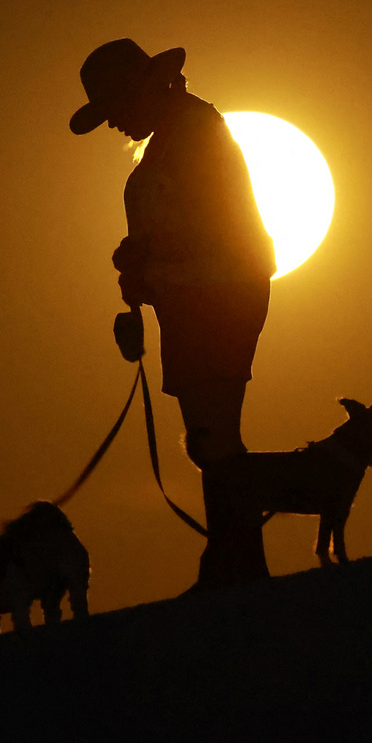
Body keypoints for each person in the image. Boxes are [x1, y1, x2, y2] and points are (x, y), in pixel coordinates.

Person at [69, 39, 276, 588]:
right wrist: (141, 261)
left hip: (216, 294)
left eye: (113, 108)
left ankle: (235, 565)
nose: (112, 122)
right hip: (195, 296)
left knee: (215, 434)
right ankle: (234, 561)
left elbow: (214, 231)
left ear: (137, 91)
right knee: (211, 435)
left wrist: (147, 263)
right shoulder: (180, 133)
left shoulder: (191, 133)